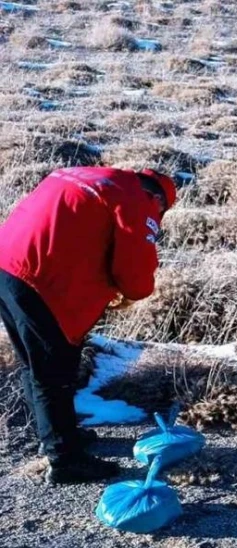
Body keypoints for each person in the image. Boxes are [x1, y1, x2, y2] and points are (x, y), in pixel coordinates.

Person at [0, 167, 176, 485]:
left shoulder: (87, 175)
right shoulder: (140, 200)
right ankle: (64, 459)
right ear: (159, 199)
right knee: (53, 372)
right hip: (40, 279)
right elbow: (136, 278)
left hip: (7, 262)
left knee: (33, 362)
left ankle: (58, 435)